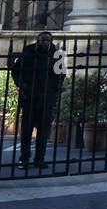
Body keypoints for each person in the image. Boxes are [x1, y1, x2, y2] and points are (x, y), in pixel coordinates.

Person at [9, 32, 65, 168]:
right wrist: (22, 85)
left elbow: (61, 75)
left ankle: (39, 159)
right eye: (43, 40)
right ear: (38, 40)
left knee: (43, 131)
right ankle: (24, 159)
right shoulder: (29, 51)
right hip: (30, 97)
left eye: (48, 40)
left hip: (47, 97)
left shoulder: (56, 54)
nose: (46, 43)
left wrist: (54, 90)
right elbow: (16, 70)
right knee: (27, 131)